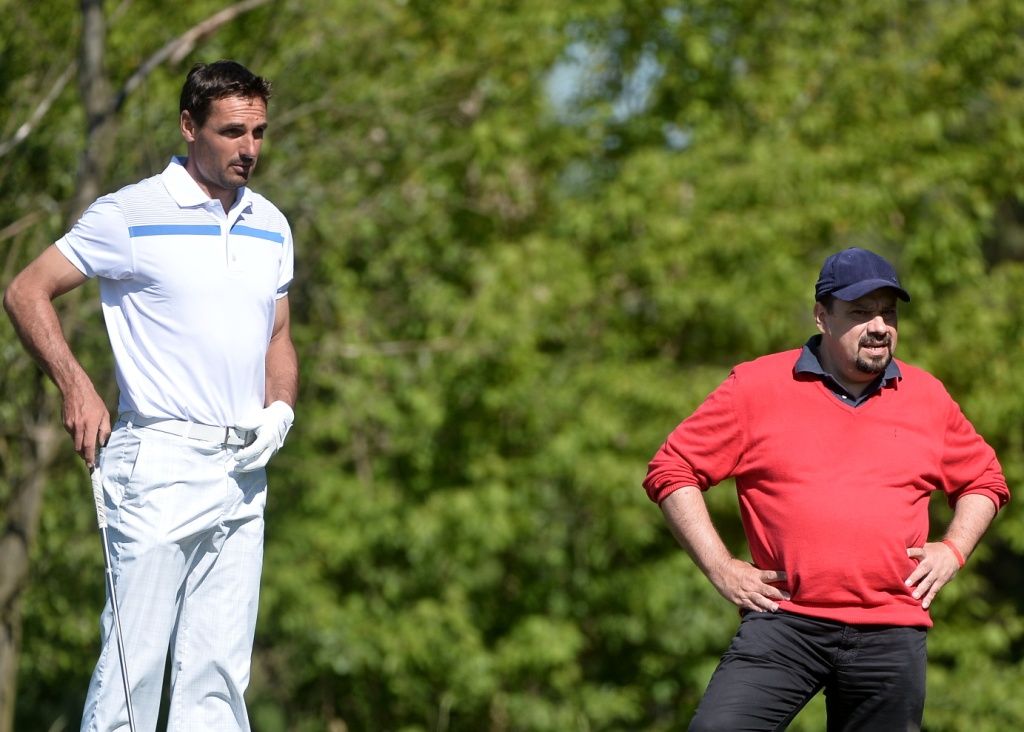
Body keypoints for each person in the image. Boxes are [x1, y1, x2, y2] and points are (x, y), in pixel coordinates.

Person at [3, 60, 298, 731]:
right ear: (189, 126)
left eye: (258, 132)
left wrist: (280, 408)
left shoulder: (271, 225)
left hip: (244, 471)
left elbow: (278, 335)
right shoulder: (130, 213)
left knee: (218, 679)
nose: (249, 148)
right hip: (159, 461)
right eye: (232, 132)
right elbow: (26, 291)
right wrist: (77, 385)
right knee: (132, 673)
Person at [643, 247, 1009, 731]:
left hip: (891, 628)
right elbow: (672, 470)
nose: (879, 326)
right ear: (822, 317)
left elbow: (984, 480)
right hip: (785, 622)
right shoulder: (756, 386)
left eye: (888, 313)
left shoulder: (927, 396)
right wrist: (721, 567)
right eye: (860, 312)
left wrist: (954, 548)